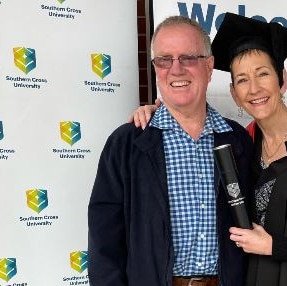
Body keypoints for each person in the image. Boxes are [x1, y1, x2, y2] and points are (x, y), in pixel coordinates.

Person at [132, 13, 287, 286]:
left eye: (263, 74)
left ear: (283, 80)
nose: (254, 88)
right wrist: (159, 112)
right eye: (242, 80)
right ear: (234, 93)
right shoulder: (242, 146)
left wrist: (275, 247)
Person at [88, 15, 254, 286]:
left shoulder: (238, 141)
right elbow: (104, 243)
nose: (176, 69)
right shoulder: (126, 145)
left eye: (188, 57)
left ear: (209, 67)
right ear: (155, 68)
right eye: (164, 59)